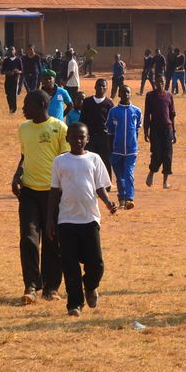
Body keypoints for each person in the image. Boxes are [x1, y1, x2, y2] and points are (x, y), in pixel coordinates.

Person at [48, 122, 117, 316]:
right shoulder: (60, 161)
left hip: (89, 219)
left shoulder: (94, 159)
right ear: (67, 138)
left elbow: (100, 186)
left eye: (82, 137)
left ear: (87, 139)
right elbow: (54, 191)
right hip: (66, 220)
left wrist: (108, 202)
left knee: (96, 263)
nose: (78, 140)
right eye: (74, 137)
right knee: (70, 267)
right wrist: (49, 220)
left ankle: (90, 285)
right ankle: (74, 304)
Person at [12, 90, 69, 305]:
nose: (23, 108)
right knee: (28, 238)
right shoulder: (24, 129)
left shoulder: (59, 128)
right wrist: (17, 175)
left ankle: (52, 287)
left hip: (53, 193)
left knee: (52, 239)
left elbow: (65, 161)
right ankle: (31, 286)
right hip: (28, 192)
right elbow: (24, 156)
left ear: (42, 104)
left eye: (27, 104)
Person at [106, 86, 142, 209]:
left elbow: (137, 130)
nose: (126, 94)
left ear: (130, 94)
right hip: (116, 150)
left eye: (128, 92)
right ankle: (121, 198)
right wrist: (111, 149)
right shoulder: (113, 112)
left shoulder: (136, 111)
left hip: (131, 150)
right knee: (120, 176)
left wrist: (135, 144)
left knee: (129, 173)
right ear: (119, 94)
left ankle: (129, 198)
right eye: (123, 92)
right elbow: (110, 132)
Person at [143, 74, 176, 189]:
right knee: (156, 153)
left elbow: (172, 115)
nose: (160, 84)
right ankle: (151, 173)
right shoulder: (150, 96)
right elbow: (147, 114)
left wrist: (174, 132)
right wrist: (146, 130)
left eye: (162, 82)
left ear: (165, 82)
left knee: (167, 154)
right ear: (155, 83)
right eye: (158, 82)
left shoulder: (169, 95)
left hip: (167, 128)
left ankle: (165, 181)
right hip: (155, 129)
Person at [81, 78, 114, 176]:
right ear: (95, 87)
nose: (101, 87)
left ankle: (106, 184)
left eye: (103, 86)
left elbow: (112, 122)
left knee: (105, 160)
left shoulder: (109, 103)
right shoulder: (87, 102)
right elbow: (82, 119)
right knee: (89, 160)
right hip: (90, 137)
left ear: (106, 88)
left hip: (104, 137)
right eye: (99, 85)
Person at [0, 48, 22, 114]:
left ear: (15, 51)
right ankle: (10, 107)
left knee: (14, 95)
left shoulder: (18, 60)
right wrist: (7, 72)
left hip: (15, 80)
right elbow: (2, 71)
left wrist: (17, 71)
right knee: (8, 95)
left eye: (12, 49)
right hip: (8, 80)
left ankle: (13, 110)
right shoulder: (6, 60)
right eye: (10, 50)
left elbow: (22, 70)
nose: (11, 51)